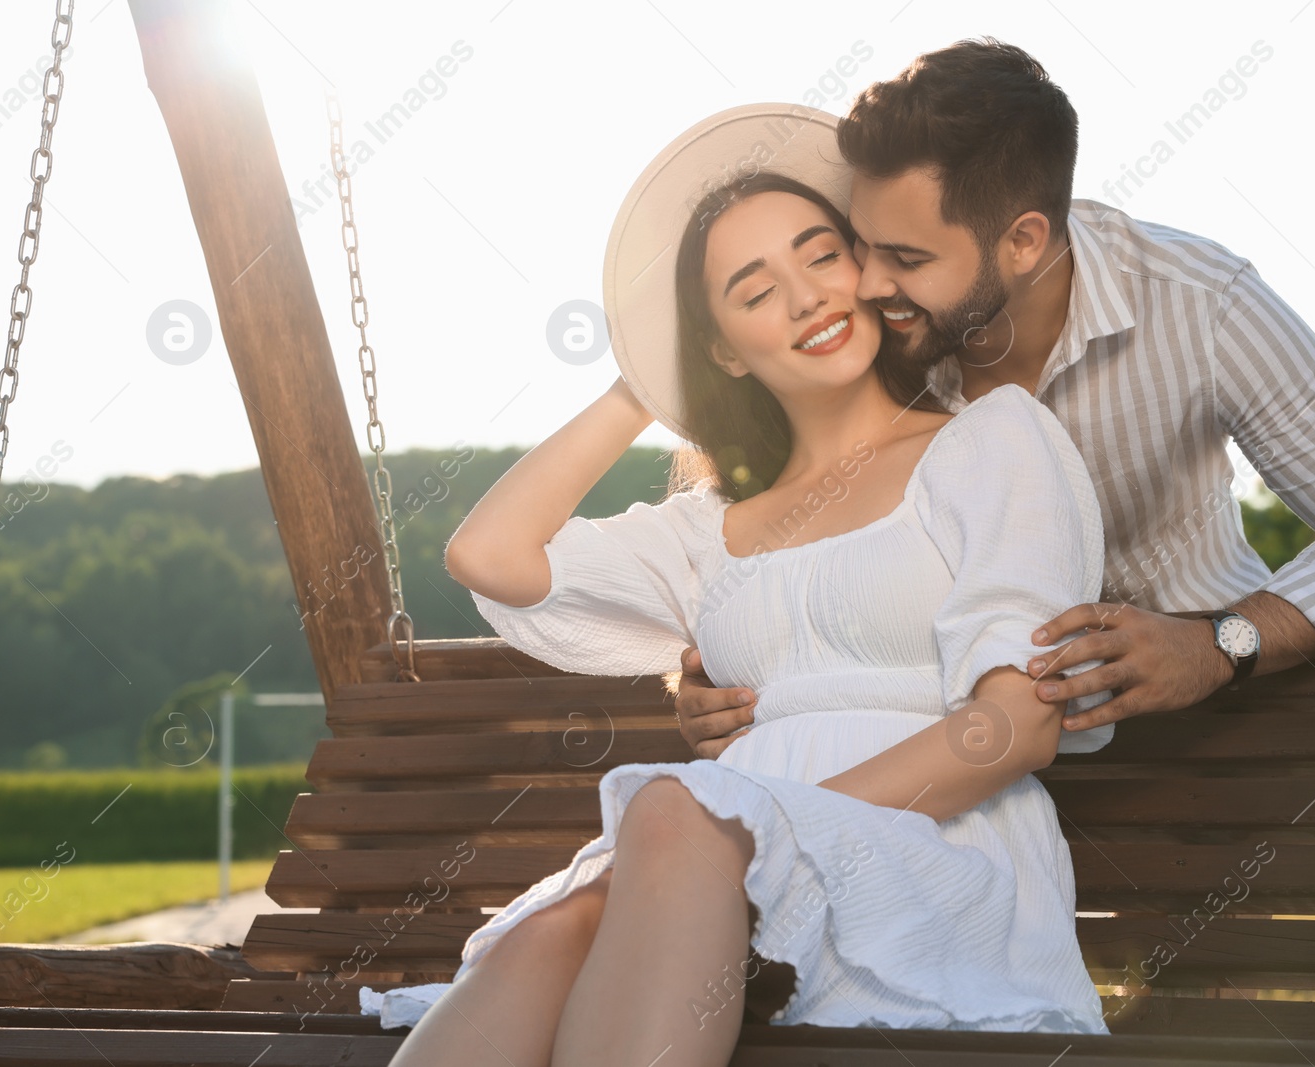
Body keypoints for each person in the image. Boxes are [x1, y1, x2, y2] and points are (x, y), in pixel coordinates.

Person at [375, 103, 1115, 1067]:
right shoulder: (706, 529)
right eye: (755, 291)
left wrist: (773, 828)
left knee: (672, 811)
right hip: (710, 866)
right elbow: (492, 555)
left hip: (931, 850)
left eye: (821, 255)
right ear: (723, 346)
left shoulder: (990, 440)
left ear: (865, 262)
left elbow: (1015, 725)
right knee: (548, 931)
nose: (808, 298)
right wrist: (639, 381)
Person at [675, 37, 1315, 761]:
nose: (869, 284)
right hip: (955, 760)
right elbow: (786, 535)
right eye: (860, 244)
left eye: (907, 256)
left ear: (1022, 241)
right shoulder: (872, 340)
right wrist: (736, 678)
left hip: (1215, 744)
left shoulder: (1196, 302)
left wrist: (1221, 641)